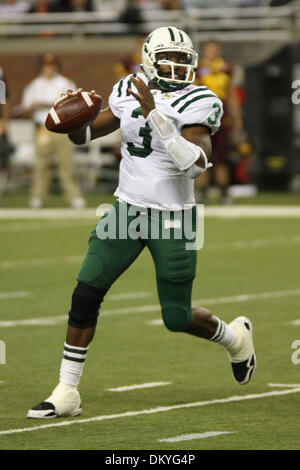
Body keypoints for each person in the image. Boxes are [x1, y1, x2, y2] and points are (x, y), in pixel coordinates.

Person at [27, 26, 256, 419]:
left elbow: (195, 163)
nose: (176, 65)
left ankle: (236, 338)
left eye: (183, 59)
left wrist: (154, 113)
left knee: (176, 317)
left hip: (173, 219)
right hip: (127, 210)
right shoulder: (128, 85)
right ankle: (67, 390)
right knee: (86, 291)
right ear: (150, 59)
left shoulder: (202, 99)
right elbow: (91, 133)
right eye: (168, 57)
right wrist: (72, 121)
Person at [21, 53, 86, 209]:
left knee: (66, 163)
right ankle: (38, 197)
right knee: (41, 164)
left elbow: (73, 105)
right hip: (42, 128)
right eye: (46, 66)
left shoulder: (65, 83)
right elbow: (26, 110)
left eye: (51, 66)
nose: (49, 69)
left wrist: (45, 104)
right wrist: (35, 106)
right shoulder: (34, 85)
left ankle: (73, 196)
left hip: (62, 128)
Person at [195, 40, 243, 204]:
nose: (212, 51)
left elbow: (231, 94)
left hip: (221, 113)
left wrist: (237, 118)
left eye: (215, 48)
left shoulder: (226, 67)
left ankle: (224, 191)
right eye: (209, 48)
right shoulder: (197, 67)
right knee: (201, 154)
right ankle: (202, 191)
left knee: (221, 155)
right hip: (203, 112)